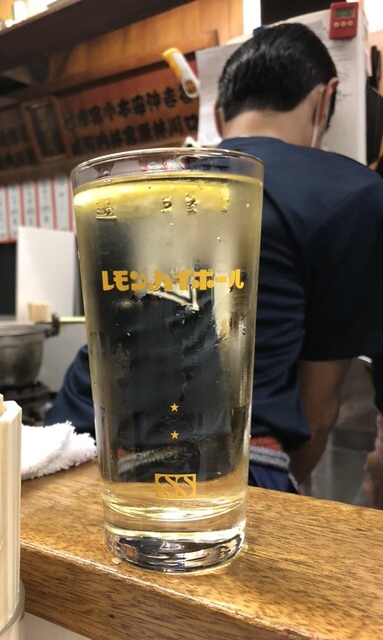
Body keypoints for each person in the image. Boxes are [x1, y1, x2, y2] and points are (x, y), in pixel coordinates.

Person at [46, 23, 383, 495]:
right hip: (223, 463)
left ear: (220, 116)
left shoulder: (135, 190)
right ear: (325, 98)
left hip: (65, 444)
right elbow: (320, 411)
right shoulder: (351, 193)